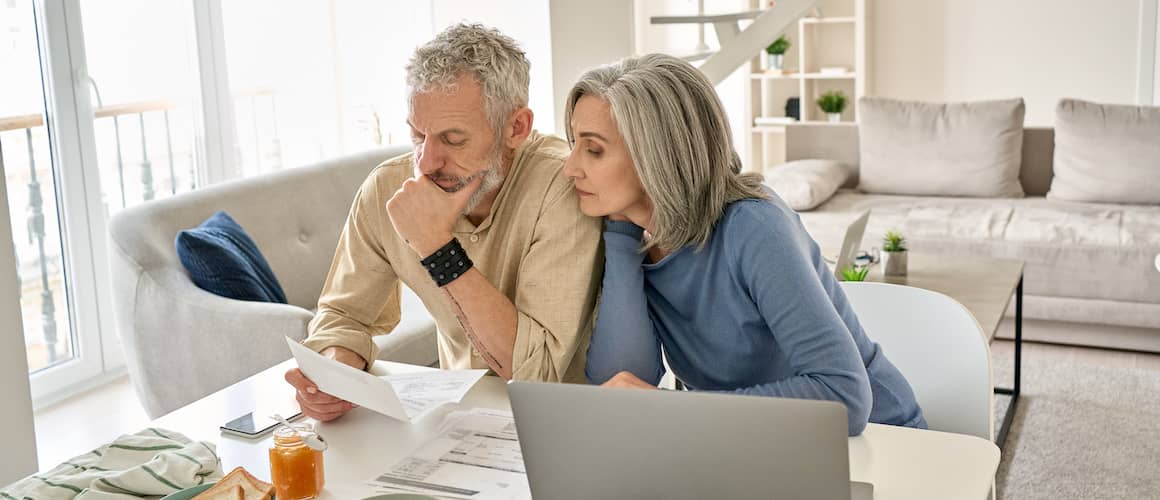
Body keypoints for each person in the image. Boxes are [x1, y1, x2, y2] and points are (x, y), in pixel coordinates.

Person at [565, 54, 925, 436]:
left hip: (879, 442)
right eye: (574, 144)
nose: (569, 167)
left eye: (593, 150)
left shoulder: (753, 226)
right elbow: (619, 384)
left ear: (657, 155)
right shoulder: (638, 236)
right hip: (754, 443)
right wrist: (621, 238)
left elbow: (844, 397)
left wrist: (677, 408)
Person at [285, 23, 603, 422]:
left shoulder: (564, 186)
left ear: (516, 128)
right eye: (418, 135)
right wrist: (336, 372)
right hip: (458, 420)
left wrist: (438, 249)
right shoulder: (387, 187)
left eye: (453, 140)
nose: (427, 162)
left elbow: (533, 371)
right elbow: (344, 316)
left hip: (563, 420)